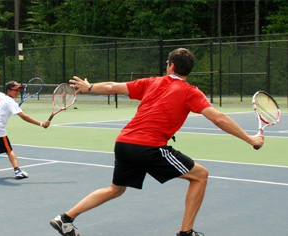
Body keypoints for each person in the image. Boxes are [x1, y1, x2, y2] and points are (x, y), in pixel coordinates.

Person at [49, 48, 264, 236]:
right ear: (189, 70)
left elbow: (113, 87)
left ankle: (65, 219)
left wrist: (91, 86)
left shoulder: (152, 82)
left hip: (123, 143)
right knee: (200, 176)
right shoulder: (191, 92)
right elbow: (218, 118)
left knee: (116, 189)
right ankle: (186, 232)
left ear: (170, 66)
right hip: (148, 147)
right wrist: (250, 139)